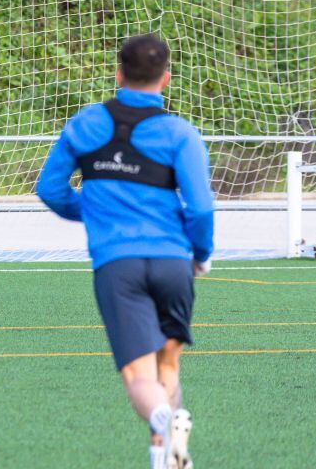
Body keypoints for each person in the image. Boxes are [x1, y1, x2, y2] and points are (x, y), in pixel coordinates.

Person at [36, 34, 214, 469]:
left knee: (139, 377)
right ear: (166, 79)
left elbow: (49, 189)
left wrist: (93, 209)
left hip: (119, 266)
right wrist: (202, 254)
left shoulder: (84, 124)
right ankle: (162, 458)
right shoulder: (180, 133)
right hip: (174, 264)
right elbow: (201, 206)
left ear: (118, 74)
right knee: (167, 365)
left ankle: (166, 421)